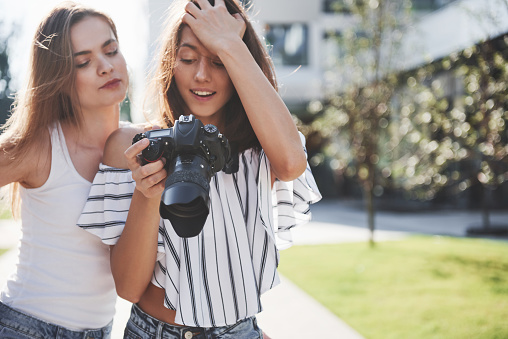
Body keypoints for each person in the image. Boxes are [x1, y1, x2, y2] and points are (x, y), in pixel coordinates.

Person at [77, 0, 322, 338]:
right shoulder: (135, 146)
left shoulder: (260, 150)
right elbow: (129, 288)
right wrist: (147, 195)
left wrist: (233, 42)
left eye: (219, 61)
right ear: (170, 62)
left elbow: (292, 164)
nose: (202, 75)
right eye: (188, 59)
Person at [0, 2, 129, 338]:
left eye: (111, 50)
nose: (105, 67)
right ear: (60, 79)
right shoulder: (40, 146)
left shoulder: (142, 145)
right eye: (83, 62)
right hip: (25, 327)